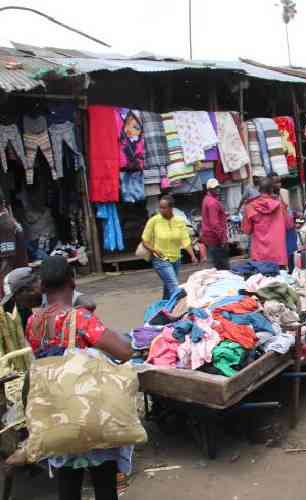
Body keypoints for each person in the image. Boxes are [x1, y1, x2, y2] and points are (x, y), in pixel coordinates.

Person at [14, 255, 134, 500]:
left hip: (56, 414)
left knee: (67, 484)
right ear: (73, 281)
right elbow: (124, 352)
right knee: (104, 484)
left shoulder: (33, 323)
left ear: (43, 287)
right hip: (87, 409)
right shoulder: (80, 318)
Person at [141, 195, 198, 300]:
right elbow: (145, 240)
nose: (161, 210)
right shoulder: (154, 221)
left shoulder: (179, 221)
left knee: (169, 286)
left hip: (176, 259)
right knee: (174, 286)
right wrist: (154, 250)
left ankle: (165, 308)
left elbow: (185, 240)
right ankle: (180, 310)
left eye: (164, 208)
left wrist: (192, 255)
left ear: (171, 208)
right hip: (160, 259)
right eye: (160, 207)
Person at [242, 177, 292, 266]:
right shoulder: (280, 205)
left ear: (259, 189)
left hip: (259, 255)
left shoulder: (250, 206)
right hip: (278, 254)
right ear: (271, 189)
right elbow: (289, 225)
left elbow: (247, 230)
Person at [201, 178, 229, 270]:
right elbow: (215, 224)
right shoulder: (212, 202)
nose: (217, 189)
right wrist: (223, 238)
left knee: (218, 265)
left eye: (218, 187)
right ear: (209, 189)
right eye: (215, 188)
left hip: (211, 237)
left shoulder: (207, 199)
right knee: (223, 267)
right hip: (216, 238)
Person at [0, 197, 28, 292]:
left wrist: (3, 288)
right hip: (18, 280)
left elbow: (8, 260)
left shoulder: (4, 224)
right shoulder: (8, 220)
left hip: (13, 284)